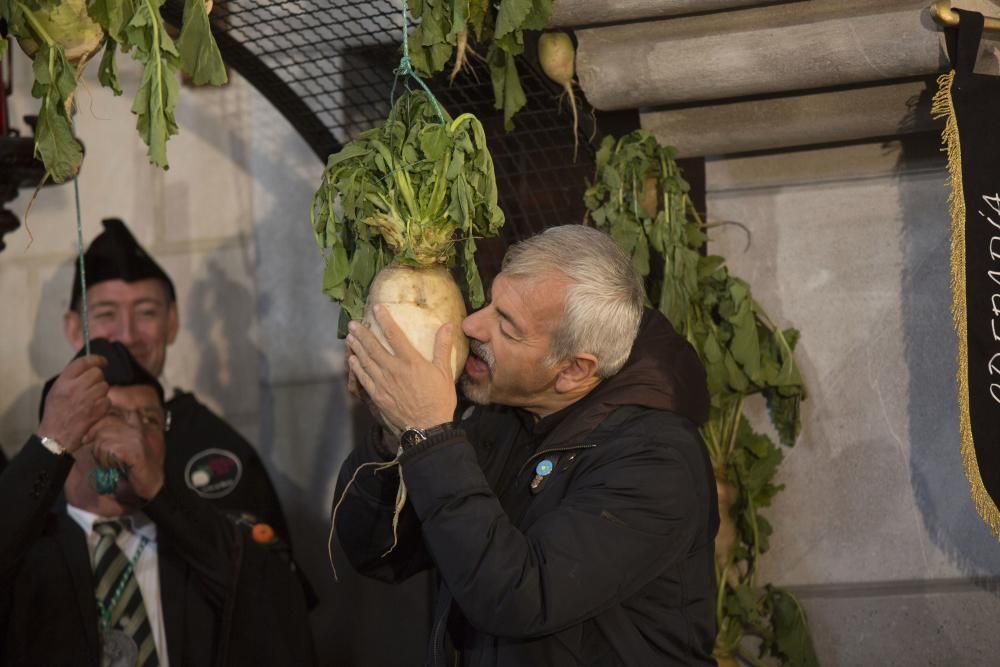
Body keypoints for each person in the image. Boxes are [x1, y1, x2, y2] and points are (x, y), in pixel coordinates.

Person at [336, 224, 719, 666]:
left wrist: (429, 433)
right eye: (491, 303)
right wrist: (393, 432)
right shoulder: (497, 417)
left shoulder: (656, 463)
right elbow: (379, 554)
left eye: (507, 324)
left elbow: (518, 596)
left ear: (574, 369)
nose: (472, 325)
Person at [0, 340, 315, 666]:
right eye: (112, 415)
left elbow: (273, 595)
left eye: (150, 419)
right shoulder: (27, 546)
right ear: (70, 433)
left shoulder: (197, 539)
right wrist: (51, 444)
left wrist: (159, 491)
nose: (135, 434)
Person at [63, 218, 291, 544]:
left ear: (172, 322)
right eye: (105, 314)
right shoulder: (53, 441)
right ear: (73, 329)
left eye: (146, 312)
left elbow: (269, 582)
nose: (126, 336)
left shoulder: (220, 452)